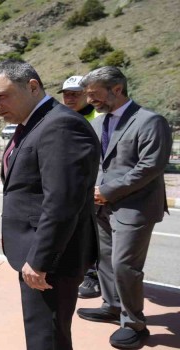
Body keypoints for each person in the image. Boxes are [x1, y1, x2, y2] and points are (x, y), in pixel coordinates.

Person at [0, 59, 100, 350]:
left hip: (51, 259)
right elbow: (27, 190)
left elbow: (62, 202)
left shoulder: (60, 125)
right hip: (36, 248)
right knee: (43, 333)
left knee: (46, 337)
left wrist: (40, 259)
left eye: (1, 96)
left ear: (32, 87)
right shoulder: (34, 123)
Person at [76, 66, 172, 349]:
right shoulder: (98, 123)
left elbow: (151, 166)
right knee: (104, 260)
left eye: (94, 95)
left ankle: (135, 325)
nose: (90, 101)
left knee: (124, 265)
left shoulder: (150, 121)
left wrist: (107, 191)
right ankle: (113, 306)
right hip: (102, 207)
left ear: (116, 89)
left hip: (135, 208)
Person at [58, 75, 101, 299]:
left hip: (92, 185)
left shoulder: (98, 118)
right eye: (66, 93)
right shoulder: (62, 116)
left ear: (87, 94)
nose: (70, 98)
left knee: (94, 232)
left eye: (75, 93)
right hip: (70, 184)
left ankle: (94, 276)